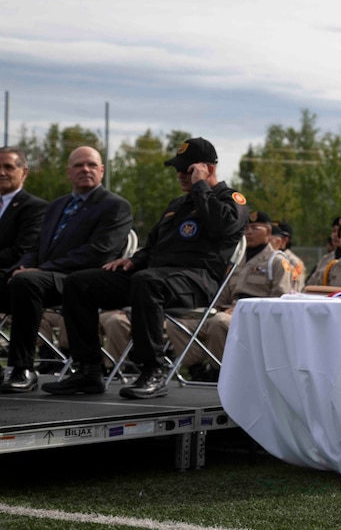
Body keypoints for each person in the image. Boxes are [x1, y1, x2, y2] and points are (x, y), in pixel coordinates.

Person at [42, 136, 247, 399]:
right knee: (79, 283)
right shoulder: (177, 205)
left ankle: (153, 370)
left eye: (186, 169)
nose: (180, 175)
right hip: (154, 279)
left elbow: (222, 227)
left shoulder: (231, 200)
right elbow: (152, 246)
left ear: (207, 168)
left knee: (147, 281)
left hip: (196, 282)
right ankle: (88, 370)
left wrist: (200, 188)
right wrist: (132, 261)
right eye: (177, 169)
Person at [1, 146, 132, 393]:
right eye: (78, 165)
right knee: (11, 279)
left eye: (92, 165)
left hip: (81, 279)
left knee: (26, 283)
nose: (85, 169)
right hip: (45, 276)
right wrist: (24, 265)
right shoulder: (56, 206)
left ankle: (22, 369)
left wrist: (39, 269)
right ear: (68, 173)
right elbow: (36, 245)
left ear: (102, 170)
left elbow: (98, 253)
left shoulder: (115, 206)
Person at [166, 211, 293, 380]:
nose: (248, 232)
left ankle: (219, 371)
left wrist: (242, 309)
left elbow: (280, 300)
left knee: (219, 323)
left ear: (268, 233)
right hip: (227, 311)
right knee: (176, 323)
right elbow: (223, 294)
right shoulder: (237, 261)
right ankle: (197, 369)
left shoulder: (276, 261)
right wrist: (213, 308)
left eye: (255, 228)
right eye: (246, 228)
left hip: (254, 316)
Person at [0, 147, 47, 274]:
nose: (1, 172)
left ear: (24, 172)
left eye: (8, 167)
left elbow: (21, 250)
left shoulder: (35, 207)